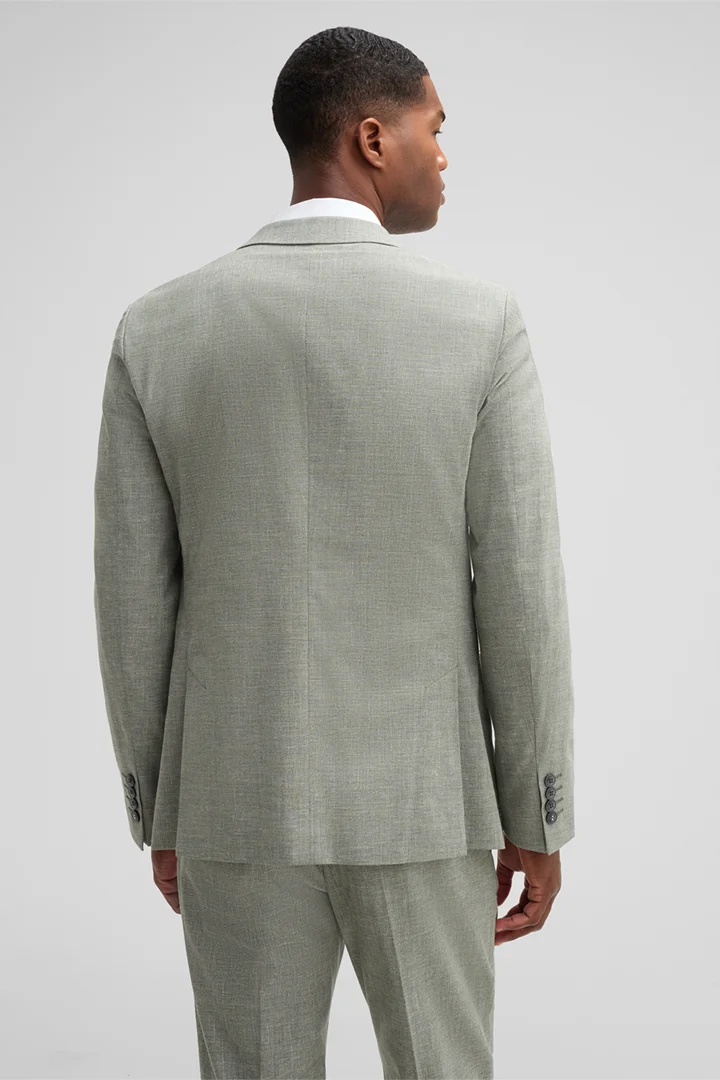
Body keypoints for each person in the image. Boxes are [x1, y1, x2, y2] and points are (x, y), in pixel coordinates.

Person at [93, 25, 575, 1080]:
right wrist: (538, 807)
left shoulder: (158, 329)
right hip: (428, 804)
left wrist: (161, 807)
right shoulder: (480, 323)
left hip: (231, 802)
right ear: (370, 137)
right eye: (432, 127)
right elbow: (522, 589)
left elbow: (132, 599)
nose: (443, 153)